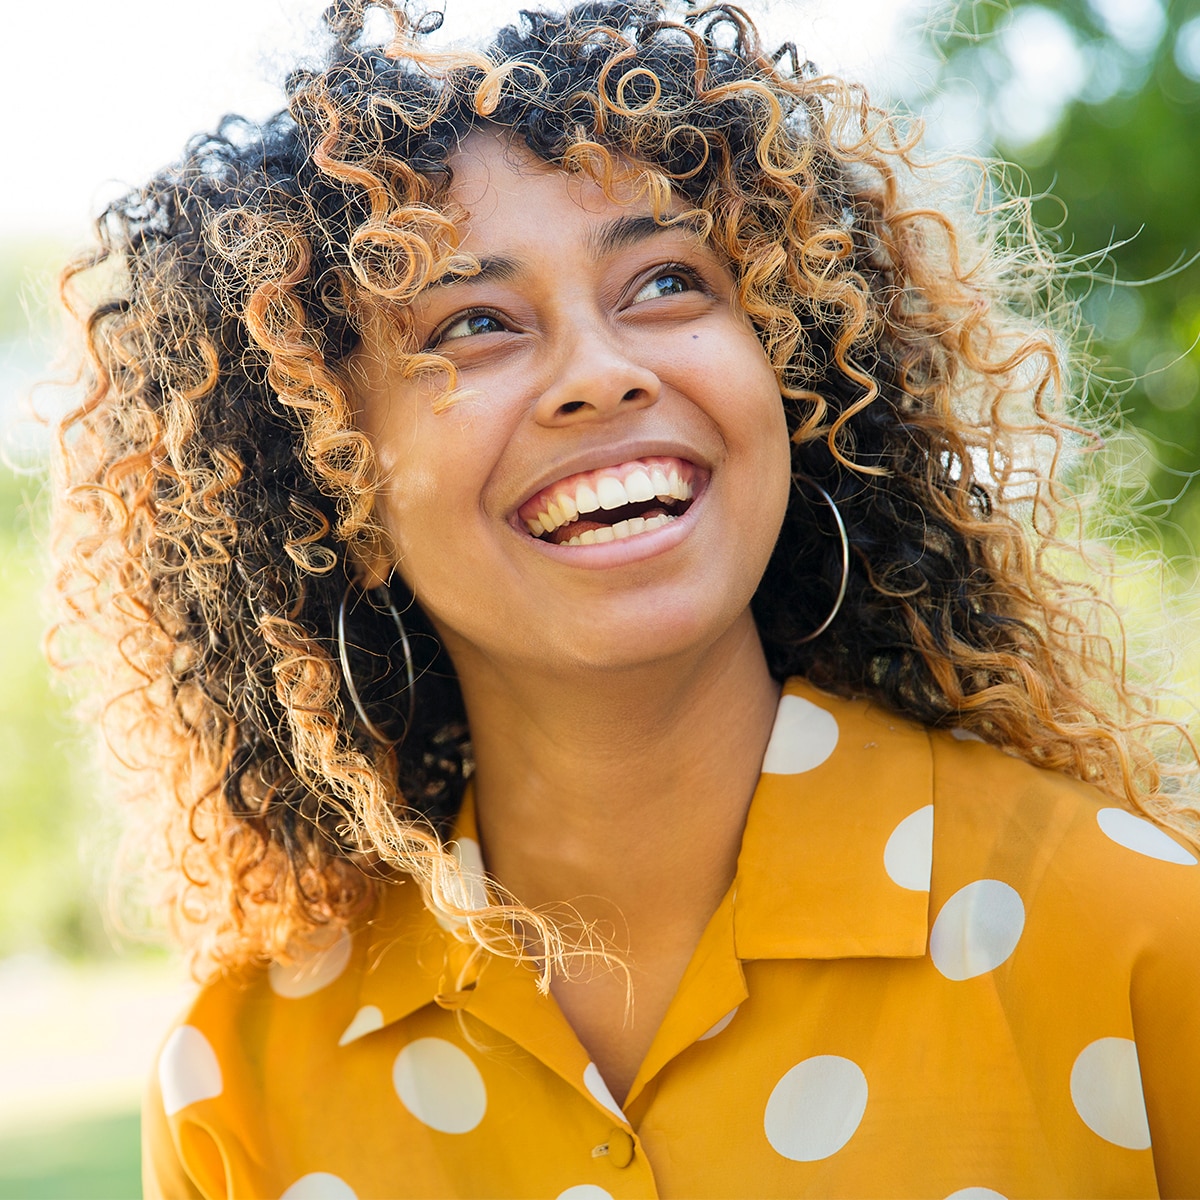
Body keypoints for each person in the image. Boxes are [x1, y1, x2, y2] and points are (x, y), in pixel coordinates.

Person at [49, 0, 1200, 1196]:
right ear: (333, 490)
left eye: (663, 283)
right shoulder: (239, 1082)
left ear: (792, 380)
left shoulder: (1138, 937)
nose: (601, 375)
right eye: (476, 323)